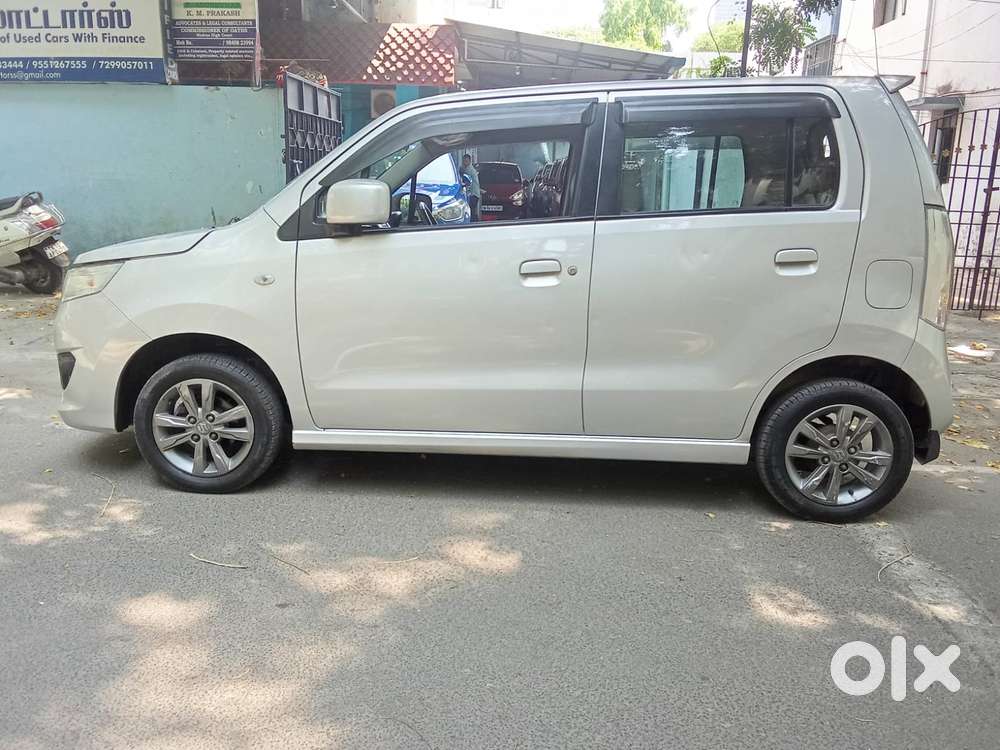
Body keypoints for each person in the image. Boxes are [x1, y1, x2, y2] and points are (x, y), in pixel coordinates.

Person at [460, 154, 481, 222]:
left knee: (470, 210)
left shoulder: (468, 170)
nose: (465, 162)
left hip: (473, 194)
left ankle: (474, 223)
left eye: (466, 161)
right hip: (474, 193)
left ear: (469, 161)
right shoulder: (467, 169)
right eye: (464, 161)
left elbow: (466, 183)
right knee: (472, 210)